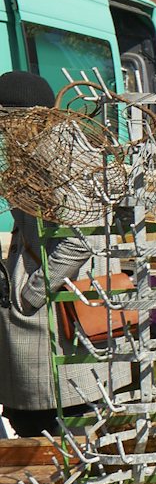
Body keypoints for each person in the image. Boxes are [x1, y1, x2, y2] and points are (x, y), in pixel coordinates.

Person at [0, 71, 133, 435]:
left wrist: (30, 294)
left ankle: (60, 483)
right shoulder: (56, 145)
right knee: (43, 413)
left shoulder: (55, 151)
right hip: (62, 303)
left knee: (48, 419)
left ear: (20, 118)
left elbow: (81, 236)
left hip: (58, 308)